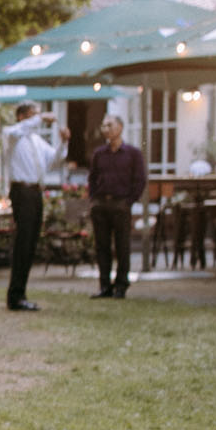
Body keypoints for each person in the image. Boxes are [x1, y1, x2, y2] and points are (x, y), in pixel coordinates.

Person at [2, 102, 64, 311]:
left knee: (31, 242)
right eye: (32, 115)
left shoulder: (37, 141)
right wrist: (42, 118)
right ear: (21, 116)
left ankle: (20, 292)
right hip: (22, 191)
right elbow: (20, 130)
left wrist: (64, 142)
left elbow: (54, 160)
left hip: (36, 192)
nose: (37, 119)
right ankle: (15, 295)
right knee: (24, 241)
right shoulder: (12, 135)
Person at [86, 114, 146, 299]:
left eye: (109, 125)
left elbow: (140, 179)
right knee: (102, 246)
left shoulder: (133, 153)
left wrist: (129, 201)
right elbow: (92, 178)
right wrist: (94, 199)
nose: (106, 129)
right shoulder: (99, 154)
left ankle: (121, 285)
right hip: (101, 204)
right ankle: (104, 285)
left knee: (122, 246)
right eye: (104, 126)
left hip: (121, 204)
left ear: (120, 127)